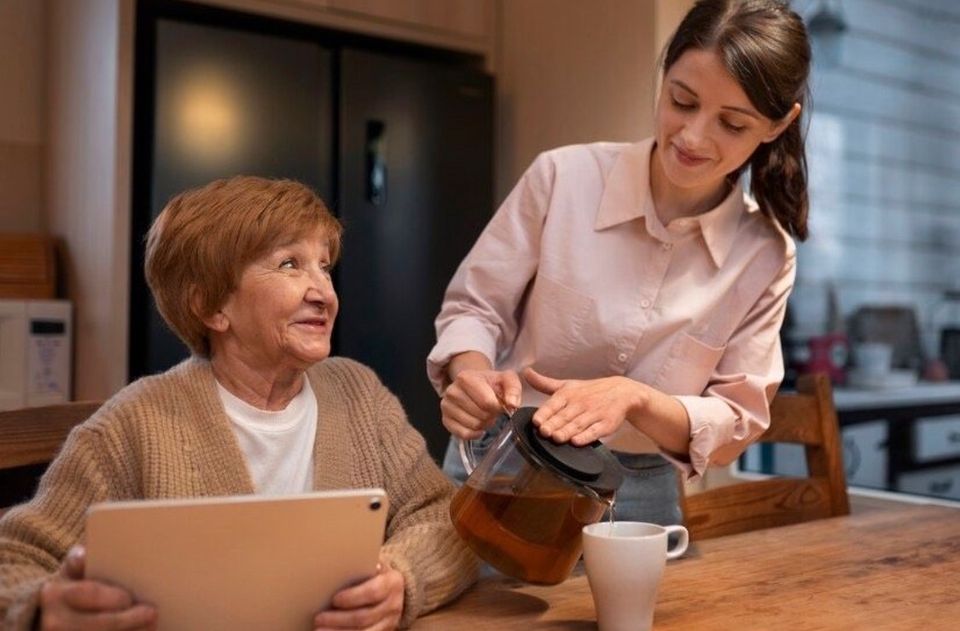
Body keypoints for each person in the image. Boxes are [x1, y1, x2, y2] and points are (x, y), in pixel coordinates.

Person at [0, 176, 478, 630]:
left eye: (325, 266)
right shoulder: (134, 424)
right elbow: (15, 559)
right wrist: (41, 609)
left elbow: (445, 517)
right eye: (290, 264)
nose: (325, 293)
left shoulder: (358, 393)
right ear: (211, 307)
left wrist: (400, 578)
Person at [428, 0, 811, 526]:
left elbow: (734, 420)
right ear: (664, 76)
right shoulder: (562, 177)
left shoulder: (764, 255)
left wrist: (637, 400)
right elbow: (475, 307)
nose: (694, 136)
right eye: (682, 100)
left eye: (732, 123)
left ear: (776, 125)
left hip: (638, 493)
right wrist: (469, 376)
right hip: (505, 462)